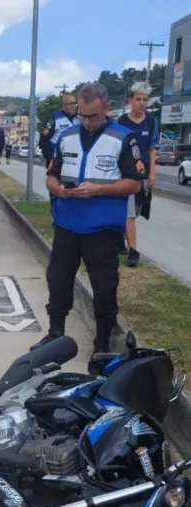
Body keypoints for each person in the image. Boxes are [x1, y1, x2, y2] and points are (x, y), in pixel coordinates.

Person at [32, 82, 145, 362]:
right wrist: (55, 187)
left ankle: (103, 342)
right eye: (82, 114)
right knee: (57, 279)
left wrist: (99, 189)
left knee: (104, 286)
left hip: (102, 228)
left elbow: (133, 184)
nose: (86, 121)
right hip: (67, 223)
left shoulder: (123, 138)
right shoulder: (67, 136)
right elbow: (51, 174)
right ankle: (55, 333)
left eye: (93, 115)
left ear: (107, 108)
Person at [117, 82, 159, 267]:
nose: (142, 103)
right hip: (125, 174)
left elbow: (152, 149)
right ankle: (133, 250)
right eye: (138, 99)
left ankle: (120, 239)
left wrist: (152, 174)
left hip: (143, 174)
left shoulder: (151, 121)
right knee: (129, 213)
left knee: (137, 210)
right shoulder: (121, 122)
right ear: (130, 100)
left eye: (145, 100)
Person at [39, 93, 80, 168]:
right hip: (57, 161)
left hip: (74, 161)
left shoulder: (79, 119)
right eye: (70, 104)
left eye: (75, 103)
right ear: (63, 106)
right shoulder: (54, 119)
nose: (73, 106)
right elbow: (44, 140)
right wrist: (50, 158)